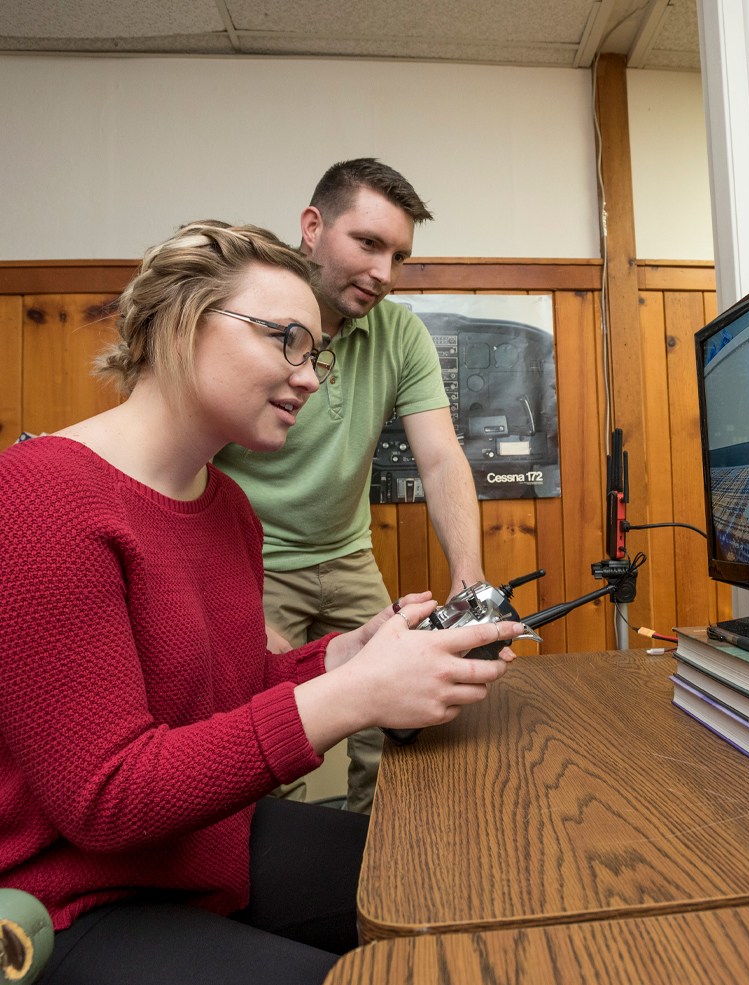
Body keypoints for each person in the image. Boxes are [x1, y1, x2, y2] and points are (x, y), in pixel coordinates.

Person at [0, 221, 522, 984]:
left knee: (459, 888)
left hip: (201, 842)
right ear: (181, 323)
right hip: (77, 897)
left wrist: (345, 653)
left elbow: (230, 698)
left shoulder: (230, 507)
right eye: (285, 338)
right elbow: (106, 797)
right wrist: (353, 694)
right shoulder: (41, 496)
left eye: (314, 351)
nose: (309, 376)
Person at [215, 159, 485, 812]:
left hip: (347, 552)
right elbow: (187, 462)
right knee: (263, 733)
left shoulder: (399, 332)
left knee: (397, 722)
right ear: (313, 227)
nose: (384, 274)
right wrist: (229, 596)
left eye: (398, 255)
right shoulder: (249, 315)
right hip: (251, 560)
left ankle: (374, 873)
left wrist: (470, 578)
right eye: (367, 243)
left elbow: (443, 457)